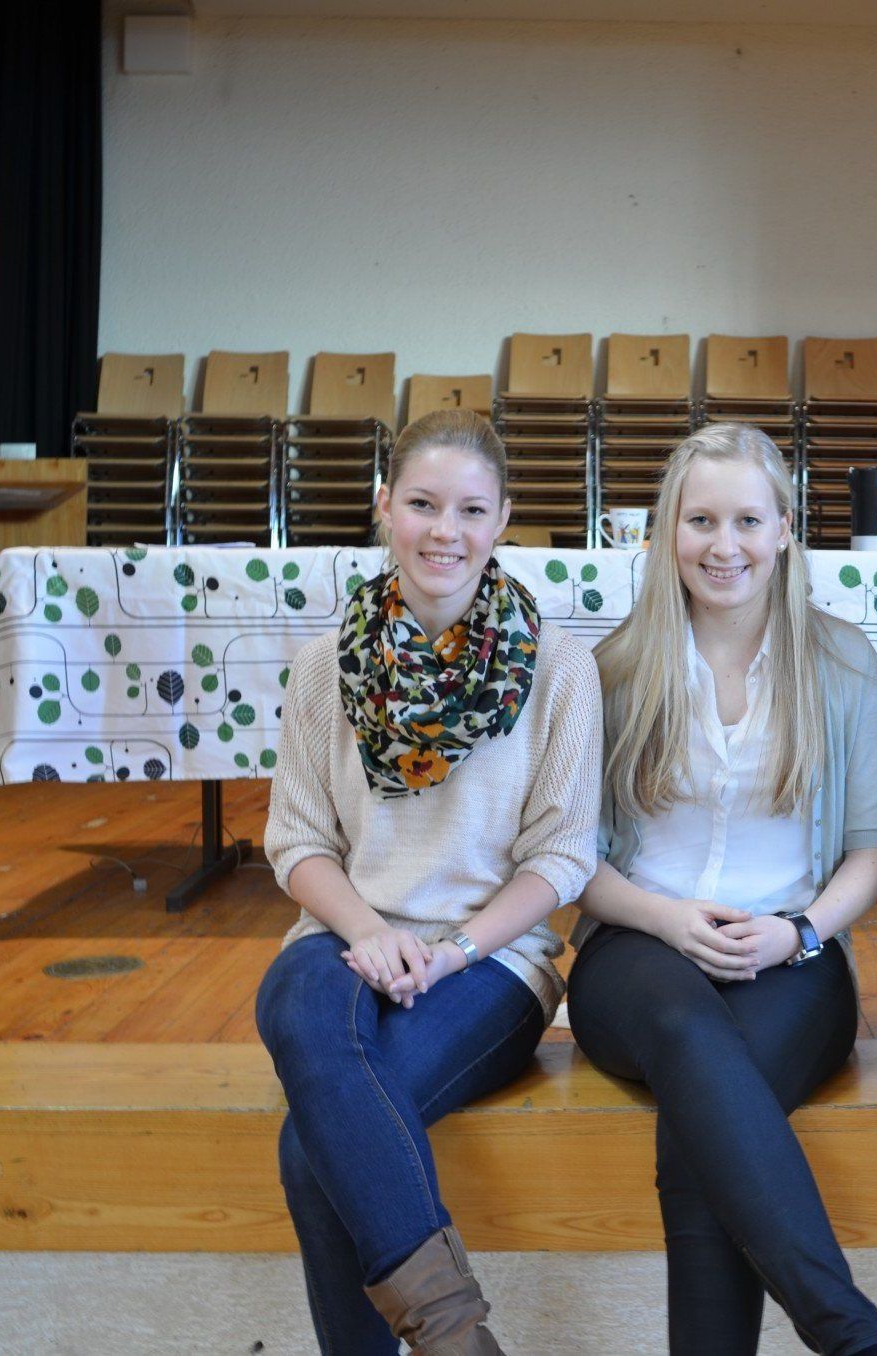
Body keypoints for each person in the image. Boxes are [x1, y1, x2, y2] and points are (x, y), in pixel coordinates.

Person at [256, 409, 602, 1355]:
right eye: (421, 504)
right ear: (384, 508)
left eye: (470, 510)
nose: (444, 531)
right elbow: (295, 841)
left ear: (502, 522)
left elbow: (563, 856)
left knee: (311, 1146)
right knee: (297, 1002)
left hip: (493, 962)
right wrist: (367, 932)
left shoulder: (560, 669)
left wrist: (448, 952)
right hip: (343, 939)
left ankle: (450, 1336)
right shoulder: (323, 666)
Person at [565, 423, 877, 1356]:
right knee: (685, 1032)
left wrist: (798, 932)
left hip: (794, 956)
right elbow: (573, 862)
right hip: (637, 949)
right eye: (700, 520)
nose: (725, 545)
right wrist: (665, 918)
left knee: (700, 1122)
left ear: (785, 530)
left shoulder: (843, 662)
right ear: (667, 532)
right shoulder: (616, 669)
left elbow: (871, 854)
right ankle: (852, 1336)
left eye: (748, 519)